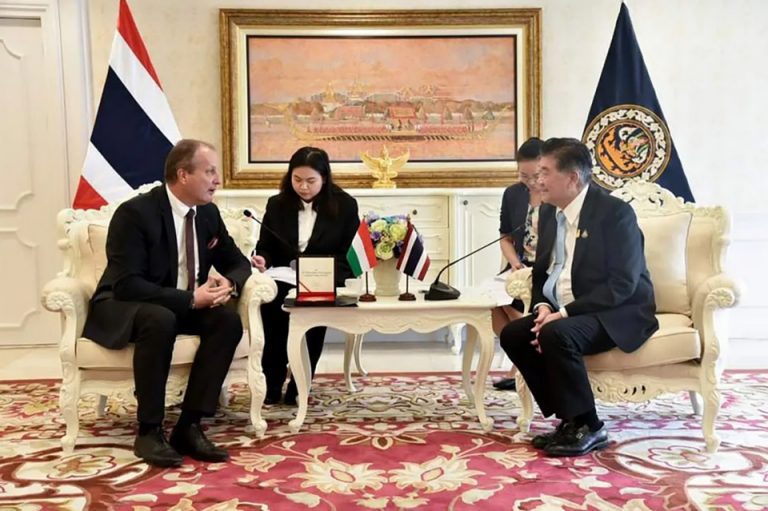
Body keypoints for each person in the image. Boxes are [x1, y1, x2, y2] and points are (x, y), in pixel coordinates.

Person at [82, 139, 252, 467]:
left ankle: (189, 425)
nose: (217, 180)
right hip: (125, 304)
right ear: (183, 174)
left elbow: (237, 262)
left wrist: (229, 283)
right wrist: (191, 298)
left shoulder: (208, 213)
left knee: (226, 321)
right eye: (210, 172)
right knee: (160, 318)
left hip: (179, 304)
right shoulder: (134, 214)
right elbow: (127, 284)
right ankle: (149, 430)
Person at [499, 137, 658, 457]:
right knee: (513, 334)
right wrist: (542, 306)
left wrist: (563, 314)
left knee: (556, 332)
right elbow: (542, 270)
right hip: (568, 310)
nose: (538, 180)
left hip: (618, 311)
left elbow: (623, 285)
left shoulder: (615, 213)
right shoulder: (548, 213)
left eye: (545, 172)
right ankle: (570, 420)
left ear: (572, 178)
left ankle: (590, 425)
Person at [251, 146, 359, 406]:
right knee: (273, 310)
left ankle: (300, 384)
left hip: (323, 277)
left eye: (311, 181)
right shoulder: (276, 204)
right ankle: (272, 381)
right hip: (283, 276)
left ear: (325, 178)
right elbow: (265, 246)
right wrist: (262, 258)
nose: (303, 187)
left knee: (313, 314)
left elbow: (350, 254)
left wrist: (325, 274)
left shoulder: (345, 205)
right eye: (297, 179)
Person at [492, 137, 553, 392]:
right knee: (493, 304)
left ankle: (522, 368)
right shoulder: (513, 194)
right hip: (520, 266)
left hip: (549, 267)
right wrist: (515, 263)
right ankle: (526, 363)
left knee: (516, 301)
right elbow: (505, 237)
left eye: (535, 175)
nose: (530, 182)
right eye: (523, 175)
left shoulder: (556, 193)